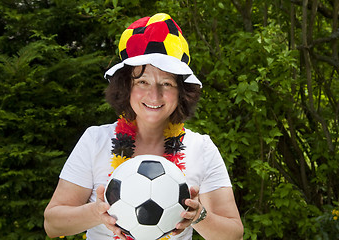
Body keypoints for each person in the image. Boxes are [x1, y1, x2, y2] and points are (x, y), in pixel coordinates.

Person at [44, 13, 244, 240]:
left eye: (166, 83)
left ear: (181, 91)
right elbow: (52, 224)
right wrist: (96, 212)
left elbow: (234, 234)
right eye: (142, 82)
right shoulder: (95, 140)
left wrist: (199, 216)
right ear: (126, 86)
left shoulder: (202, 148)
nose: (154, 94)